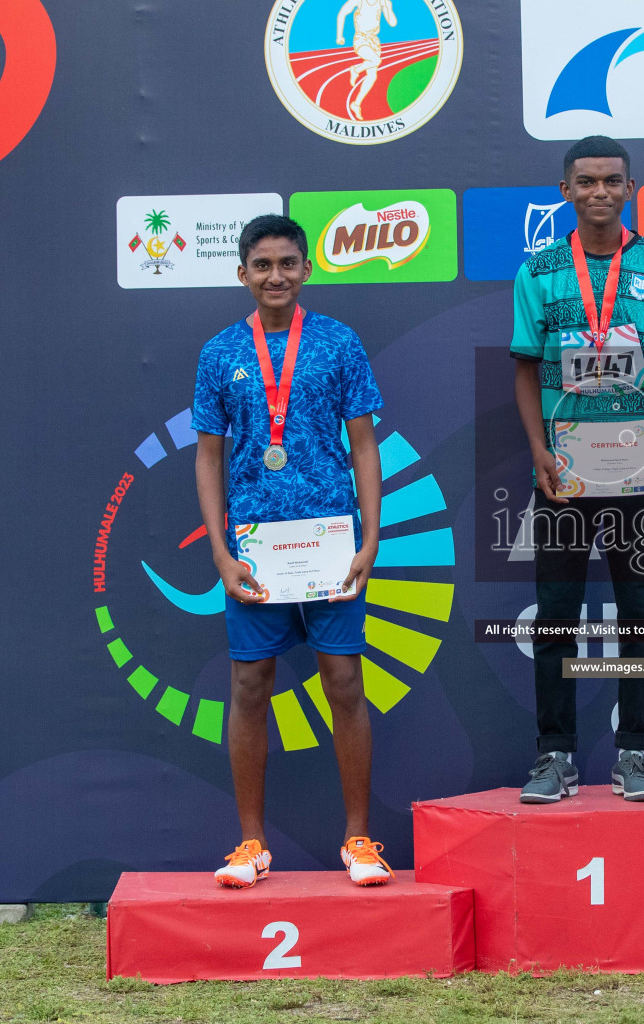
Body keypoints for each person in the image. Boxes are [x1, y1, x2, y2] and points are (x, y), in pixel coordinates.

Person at [193, 214, 392, 888]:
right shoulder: (220, 353)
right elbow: (209, 457)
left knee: (345, 683)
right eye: (262, 264)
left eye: (287, 263)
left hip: (332, 545)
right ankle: (250, 844)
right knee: (249, 687)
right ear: (242, 273)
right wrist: (221, 552)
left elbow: (364, 445)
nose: (275, 275)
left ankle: (359, 839)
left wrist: (369, 538)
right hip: (254, 552)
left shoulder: (339, 343)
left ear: (307, 268)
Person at [509, 135, 644, 803]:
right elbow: (526, 371)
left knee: (640, 615)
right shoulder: (538, 272)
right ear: (566, 190)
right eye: (585, 182)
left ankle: (635, 754)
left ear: (629, 186)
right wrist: (537, 451)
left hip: (640, 470)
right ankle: (554, 755)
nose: (599, 193)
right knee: (556, 616)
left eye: (611, 181)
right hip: (564, 473)